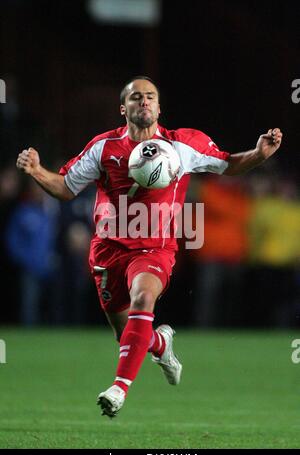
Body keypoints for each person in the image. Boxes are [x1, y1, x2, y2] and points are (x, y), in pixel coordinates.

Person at [16, 75, 283, 418]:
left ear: (159, 107)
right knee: (127, 334)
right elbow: (67, 187)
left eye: (150, 97)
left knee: (144, 298)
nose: (143, 101)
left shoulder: (183, 145)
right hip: (108, 249)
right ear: (123, 108)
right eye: (136, 97)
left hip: (155, 248)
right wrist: (38, 171)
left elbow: (228, 164)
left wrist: (259, 154)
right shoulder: (104, 147)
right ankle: (160, 343)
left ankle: (118, 388)